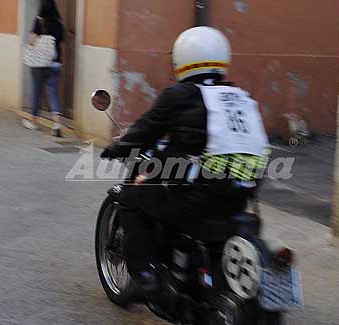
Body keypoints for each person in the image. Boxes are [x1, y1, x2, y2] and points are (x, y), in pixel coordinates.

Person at [101, 27, 270, 292]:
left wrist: (118, 147)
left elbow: (146, 130)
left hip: (199, 197)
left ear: (182, 59)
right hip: (242, 194)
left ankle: (146, 274)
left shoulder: (181, 95)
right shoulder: (240, 97)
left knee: (132, 198)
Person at [22, 0, 65, 137]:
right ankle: (57, 124)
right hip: (56, 63)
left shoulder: (39, 22)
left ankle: (33, 122)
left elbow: (32, 41)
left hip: (40, 64)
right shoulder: (59, 24)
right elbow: (61, 42)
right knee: (52, 93)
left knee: (37, 92)